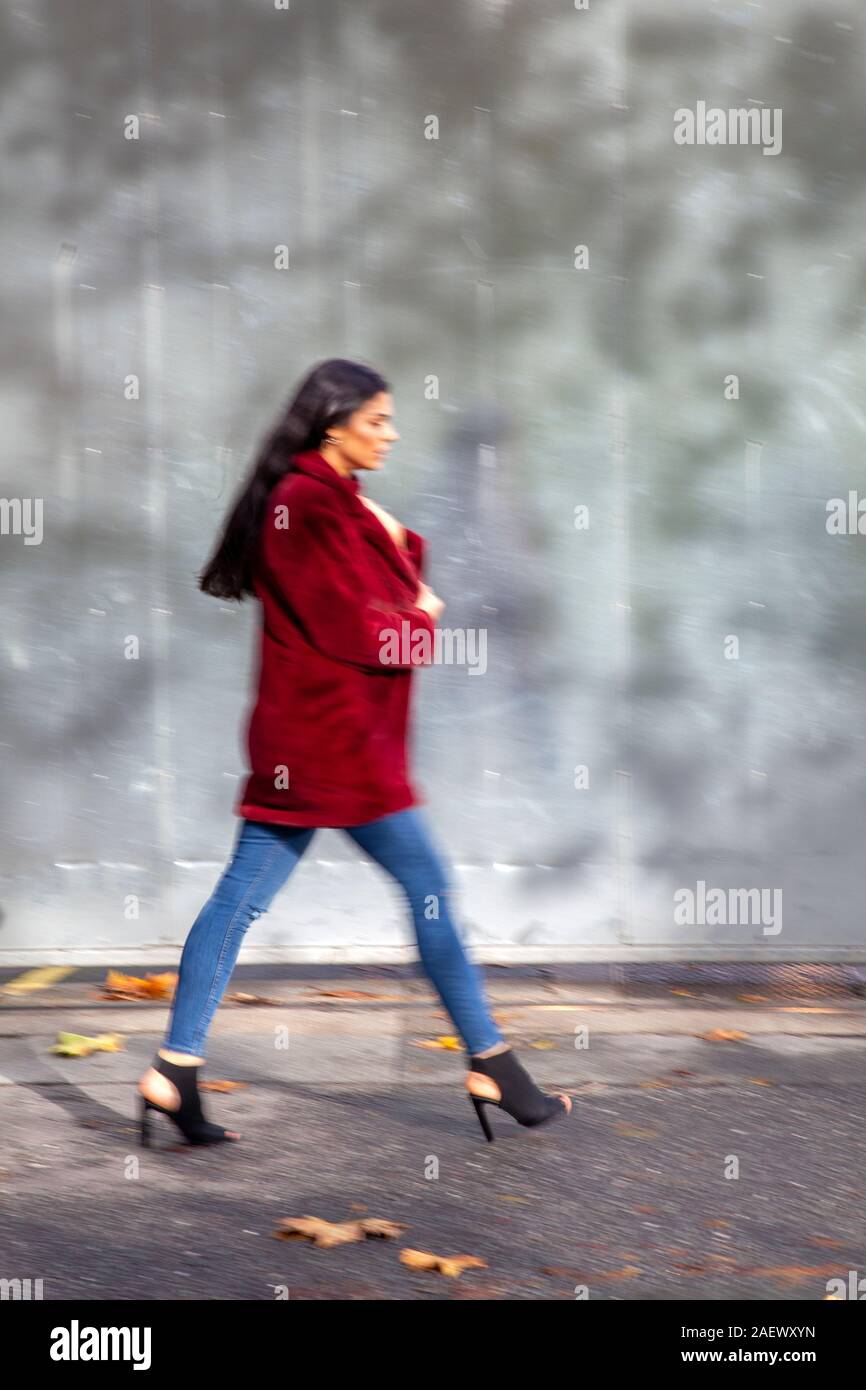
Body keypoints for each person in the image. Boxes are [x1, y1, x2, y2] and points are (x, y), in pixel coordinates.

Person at [137, 358, 571, 1147]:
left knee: (239, 901)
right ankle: (495, 1067)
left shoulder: (325, 499)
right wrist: (428, 616)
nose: (392, 434)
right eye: (378, 421)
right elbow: (360, 628)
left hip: (314, 745)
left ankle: (174, 1072)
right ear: (333, 424)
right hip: (336, 750)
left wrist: (395, 540)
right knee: (430, 890)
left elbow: (364, 590)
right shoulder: (305, 503)